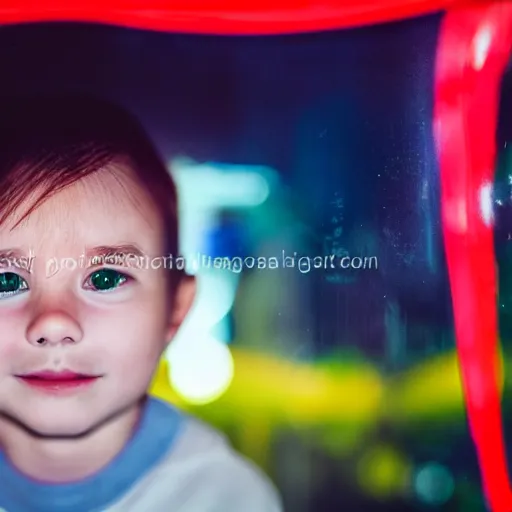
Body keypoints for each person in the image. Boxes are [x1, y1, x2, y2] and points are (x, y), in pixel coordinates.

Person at [0, 94, 283, 512]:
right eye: (7, 280)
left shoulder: (221, 498)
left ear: (175, 309)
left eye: (105, 278)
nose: (54, 323)